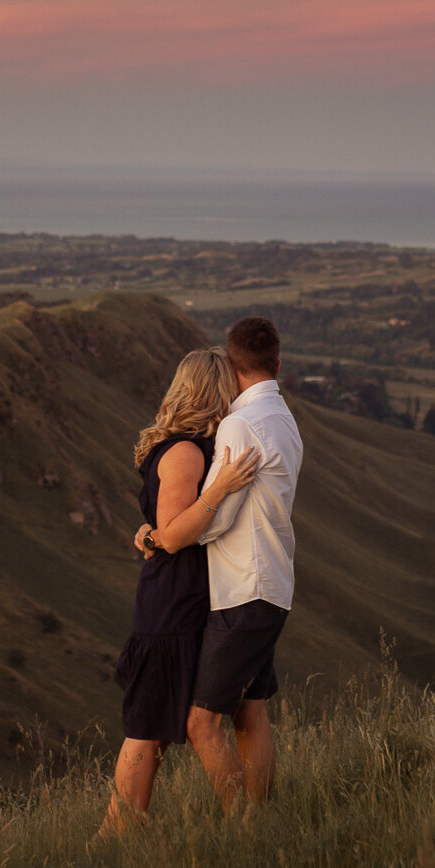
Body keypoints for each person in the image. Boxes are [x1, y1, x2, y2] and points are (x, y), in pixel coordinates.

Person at [100, 348, 259, 835]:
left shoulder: (192, 446)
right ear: (215, 392)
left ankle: (247, 827)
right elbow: (172, 534)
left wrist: (147, 532)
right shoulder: (188, 451)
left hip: (190, 601)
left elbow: (158, 530)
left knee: (171, 726)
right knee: (147, 730)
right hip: (172, 606)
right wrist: (221, 488)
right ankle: (111, 841)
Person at [179, 316, 303, 812]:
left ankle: (242, 827)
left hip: (242, 590)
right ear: (277, 363)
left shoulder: (239, 424)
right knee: (250, 712)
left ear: (231, 366)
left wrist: (169, 534)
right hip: (273, 583)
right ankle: (265, 819)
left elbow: (214, 519)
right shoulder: (285, 420)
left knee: (200, 722)